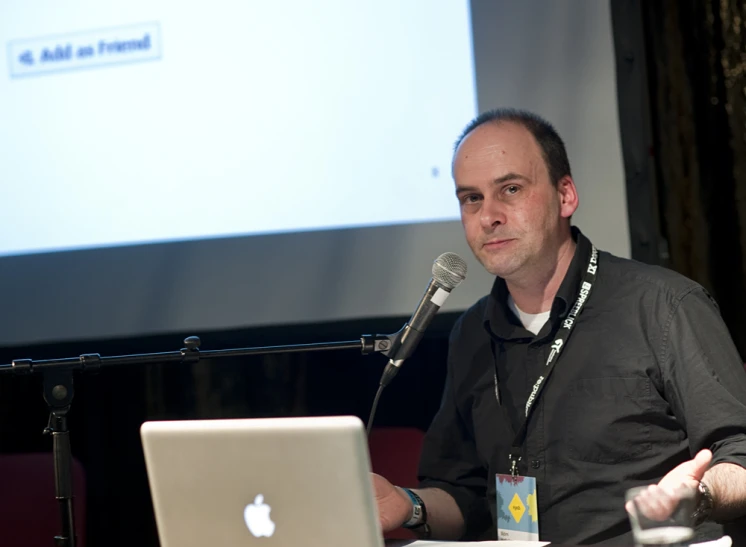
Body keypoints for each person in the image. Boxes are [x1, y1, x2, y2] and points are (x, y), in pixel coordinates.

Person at [373, 109, 746, 544]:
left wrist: (696, 495)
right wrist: (408, 505)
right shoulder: (471, 333)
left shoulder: (664, 306)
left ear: (565, 195)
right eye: (470, 198)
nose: (488, 215)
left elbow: (741, 453)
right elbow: (468, 499)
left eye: (510, 189)